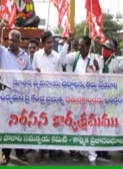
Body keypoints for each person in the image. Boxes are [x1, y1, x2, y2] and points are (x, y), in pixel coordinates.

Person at [0, 19, 32, 165]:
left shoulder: (25, 57)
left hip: (20, 96)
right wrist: (1, 25)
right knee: (6, 124)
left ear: (20, 42)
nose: (11, 43)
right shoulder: (2, 52)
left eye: (15, 40)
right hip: (5, 96)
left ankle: (20, 152)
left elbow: (29, 73)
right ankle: (5, 153)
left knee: (20, 124)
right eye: (10, 40)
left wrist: (33, 73)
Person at [61, 34, 99, 166]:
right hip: (75, 99)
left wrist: (98, 69)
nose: (80, 48)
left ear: (89, 47)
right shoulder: (74, 56)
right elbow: (61, 60)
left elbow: (101, 80)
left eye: (83, 46)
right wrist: (67, 42)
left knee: (90, 127)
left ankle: (92, 156)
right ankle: (78, 150)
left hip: (90, 100)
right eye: (79, 46)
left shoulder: (96, 58)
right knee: (76, 126)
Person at [32, 31, 64, 161]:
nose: (51, 45)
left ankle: (51, 150)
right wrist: (36, 73)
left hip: (53, 96)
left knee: (52, 124)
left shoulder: (57, 57)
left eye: (52, 42)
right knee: (41, 123)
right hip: (40, 95)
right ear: (42, 44)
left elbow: (61, 76)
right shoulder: (36, 55)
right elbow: (33, 72)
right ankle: (41, 150)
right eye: (48, 42)